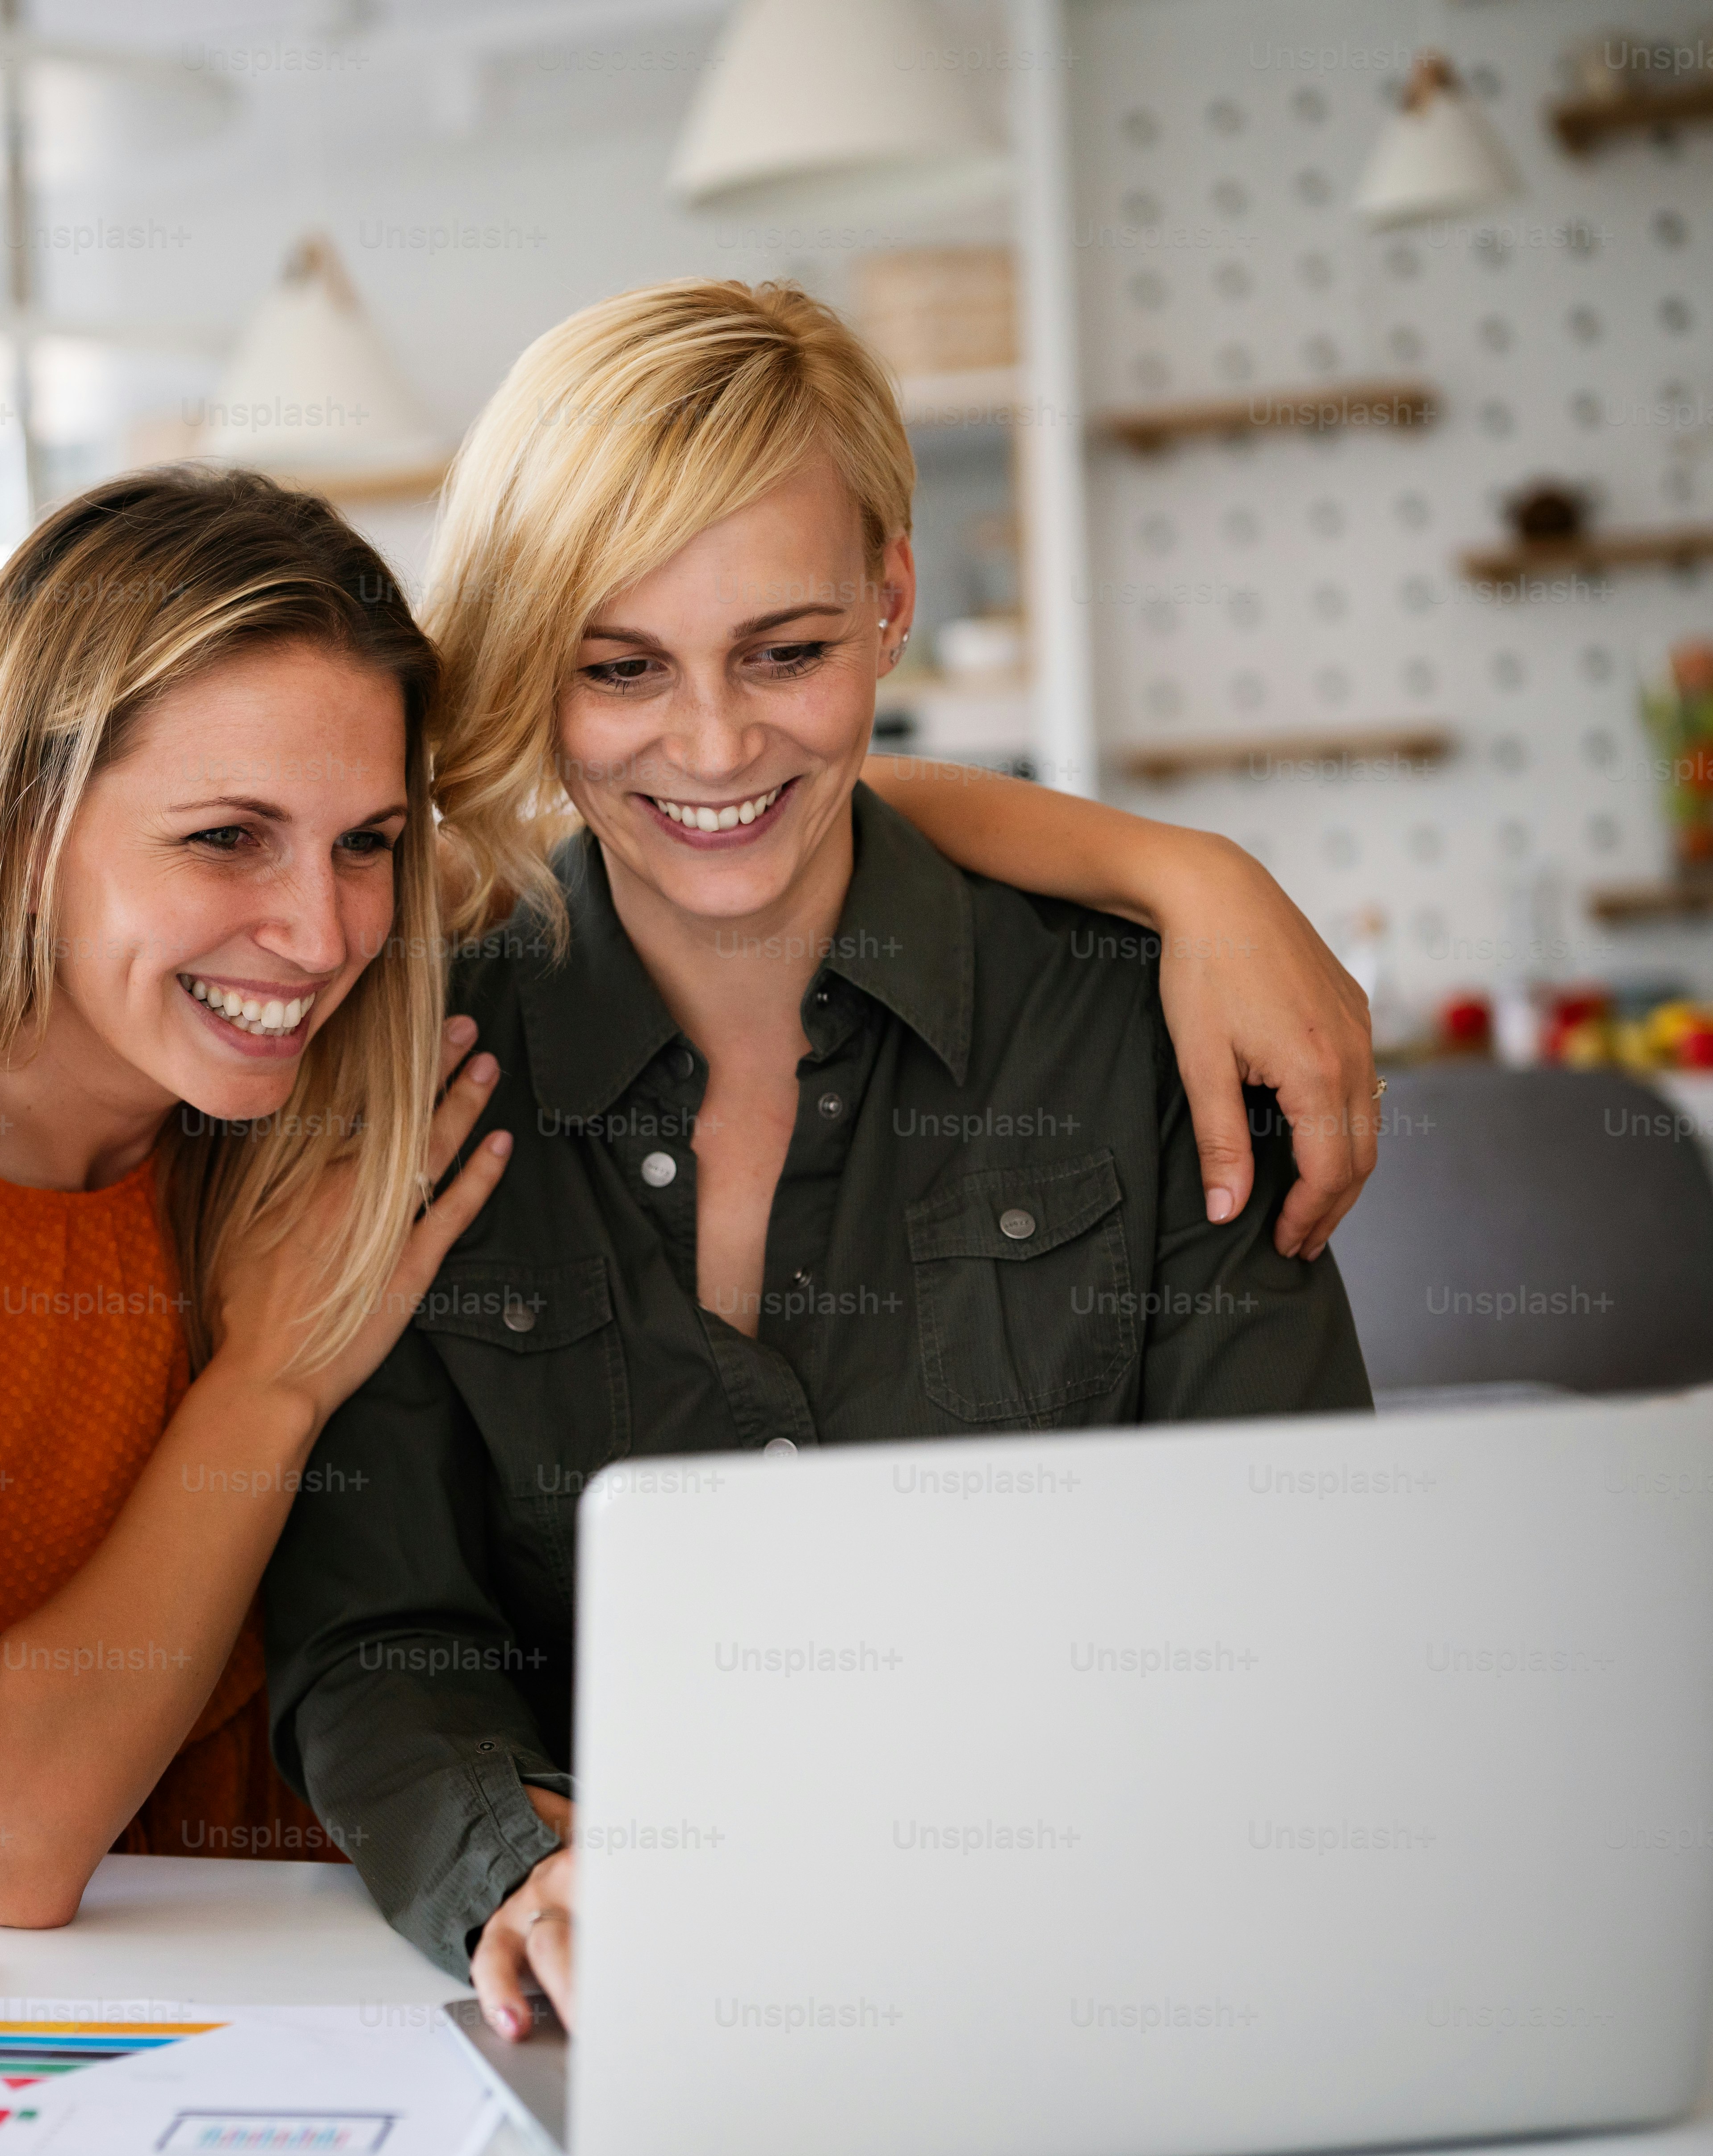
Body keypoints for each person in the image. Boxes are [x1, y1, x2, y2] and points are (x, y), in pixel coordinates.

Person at [0, 457, 1372, 1935]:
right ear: (25, 812)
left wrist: (1187, 871)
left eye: (368, 842)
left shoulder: (327, 1057)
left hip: (386, 1947)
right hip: (146, 1990)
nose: (319, 934)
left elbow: (733, 812)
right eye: (226, 838)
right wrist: (268, 1379)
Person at [258, 278, 1376, 2026]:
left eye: (783, 652)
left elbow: (1295, 1590)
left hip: (1108, 1962)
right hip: (644, 2004)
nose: (711, 748)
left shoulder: (1140, 1036)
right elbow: (380, 1635)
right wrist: (517, 1864)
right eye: (615, 669)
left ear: (891, 604)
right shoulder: (417, 1064)